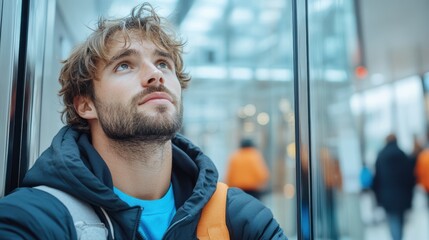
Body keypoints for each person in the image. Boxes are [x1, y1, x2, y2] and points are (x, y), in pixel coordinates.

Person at [0, 3, 286, 239]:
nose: (156, 75)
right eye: (124, 65)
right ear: (86, 104)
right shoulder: (36, 218)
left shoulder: (238, 218)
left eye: (163, 63)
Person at [371, 133, 415, 240]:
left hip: (387, 195)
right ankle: (399, 237)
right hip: (402, 195)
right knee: (400, 219)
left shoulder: (381, 156)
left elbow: (376, 179)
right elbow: (410, 177)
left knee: (392, 219)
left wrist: (377, 197)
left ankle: (396, 238)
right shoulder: (403, 155)